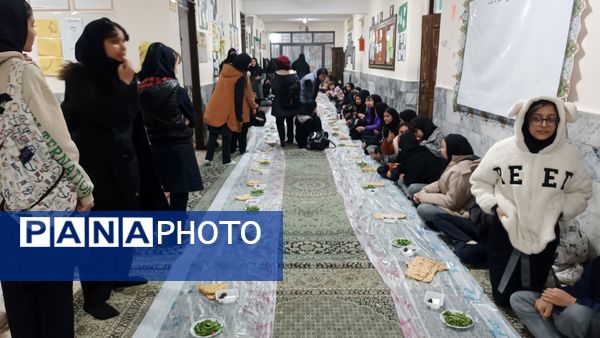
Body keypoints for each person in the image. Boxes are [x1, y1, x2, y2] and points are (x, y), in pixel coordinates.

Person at [61, 17, 169, 320]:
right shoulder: (80, 77)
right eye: (114, 40)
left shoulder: (122, 75)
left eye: (123, 40)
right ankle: (95, 297)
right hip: (98, 168)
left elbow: (132, 121)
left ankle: (121, 273)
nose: (122, 47)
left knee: (127, 220)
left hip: (127, 162)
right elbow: (106, 117)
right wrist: (124, 87)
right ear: (98, 44)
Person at [0, 1, 94, 336]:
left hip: (4, 211)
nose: (36, 32)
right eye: (32, 23)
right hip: (42, 206)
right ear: (13, 26)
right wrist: (83, 190)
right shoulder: (22, 72)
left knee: (19, 295)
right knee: (53, 294)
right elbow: (58, 140)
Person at [470, 97, 592, 307]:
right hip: (505, 230)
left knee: (529, 296)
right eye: (537, 118)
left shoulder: (569, 156)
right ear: (526, 119)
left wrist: (559, 212)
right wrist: (495, 206)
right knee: (502, 296)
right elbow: (480, 182)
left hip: (544, 233)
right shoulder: (503, 150)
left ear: (559, 122)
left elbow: (581, 192)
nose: (544, 125)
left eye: (550, 119)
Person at [138, 42, 204, 211]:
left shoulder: (138, 90)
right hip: (178, 148)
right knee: (179, 194)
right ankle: (177, 229)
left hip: (153, 148)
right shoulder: (176, 89)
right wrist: (184, 121)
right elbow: (193, 118)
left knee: (157, 191)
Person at [510, 256, 600, 338]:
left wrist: (574, 302)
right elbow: (581, 289)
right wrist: (550, 297)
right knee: (520, 298)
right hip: (579, 316)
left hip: (589, 320)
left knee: (576, 313)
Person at [413, 134, 480, 225]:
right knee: (414, 189)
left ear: (452, 149)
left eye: (443, 147)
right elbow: (441, 182)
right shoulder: (455, 160)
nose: (441, 150)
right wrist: (424, 191)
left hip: (459, 211)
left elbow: (452, 203)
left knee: (423, 209)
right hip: (444, 194)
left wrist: (423, 197)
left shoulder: (461, 171)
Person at [204, 53, 255, 165]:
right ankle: (226, 160)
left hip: (215, 105)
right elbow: (238, 98)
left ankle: (208, 158)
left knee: (213, 133)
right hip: (227, 108)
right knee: (227, 134)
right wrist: (239, 116)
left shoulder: (225, 71)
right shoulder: (240, 77)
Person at [379, 133, 445, 186]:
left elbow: (409, 180)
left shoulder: (414, 157)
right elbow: (401, 167)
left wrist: (402, 176)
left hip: (436, 183)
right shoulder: (417, 151)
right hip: (438, 179)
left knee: (409, 186)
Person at [271, 55, 300, 146]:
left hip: (279, 101)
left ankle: (282, 140)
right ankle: (290, 138)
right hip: (291, 101)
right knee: (290, 120)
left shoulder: (277, 74)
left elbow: (275, 90)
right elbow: (298, 87)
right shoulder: (294, 73)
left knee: (279, 121)